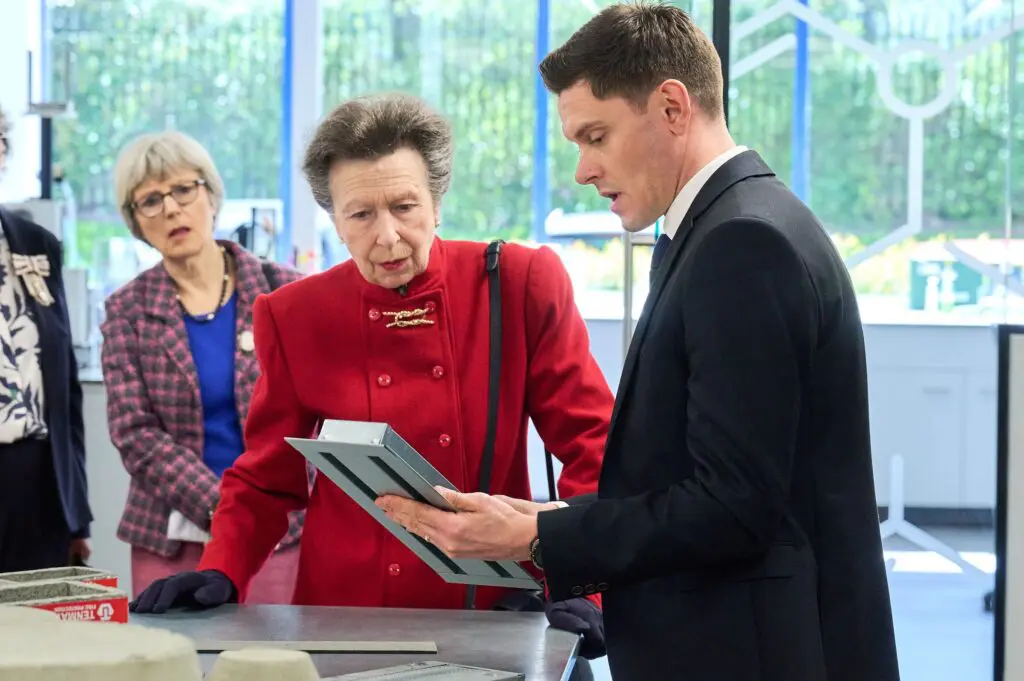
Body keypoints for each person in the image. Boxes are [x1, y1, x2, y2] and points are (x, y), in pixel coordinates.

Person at [376, 4, 902, 681]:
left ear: (672, 107)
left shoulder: (742, 243)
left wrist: (537, 535)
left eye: (595, 136)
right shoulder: (734, 225)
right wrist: (548, 515)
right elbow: (694, 476)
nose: (582, 170)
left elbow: (733, 506)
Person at [127, 94, 612, 663]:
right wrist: (221, 570)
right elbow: (266, 477)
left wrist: (587, 582)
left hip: (490, 609)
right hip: (342, 617)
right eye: (360, 214)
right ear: (334, 219)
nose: (387, 236)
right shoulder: (295, 313)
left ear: (437, 203)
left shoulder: (518, 283)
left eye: (405, 207)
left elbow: (592, 446)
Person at [100, 130, 305, 600]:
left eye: (183, 189)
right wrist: (227, 510)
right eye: (151, 200)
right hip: (169, 535)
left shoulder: (284, 290)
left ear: (211, 195)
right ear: (136, 222)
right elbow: (135, 433)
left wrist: (251, 515)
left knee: (274, 649)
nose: (171, 209)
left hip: (277, 530)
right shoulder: (127, 310)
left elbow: (312, 415)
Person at [0, 104, 92, 571]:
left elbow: (65, 388)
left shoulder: (36, 245)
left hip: (37, 484)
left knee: (36, 616)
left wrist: (77, 515)